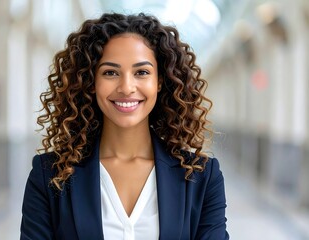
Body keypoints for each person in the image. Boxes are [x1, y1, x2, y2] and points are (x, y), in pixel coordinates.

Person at [20, 12, 229, 240]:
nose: (127, 87)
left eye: (142, 72)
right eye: (110, 72)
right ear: (91, 82)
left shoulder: (201, 177)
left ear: (159, 81)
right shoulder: (50, 175)